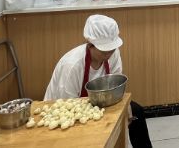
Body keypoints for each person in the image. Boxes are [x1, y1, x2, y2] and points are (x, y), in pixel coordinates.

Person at [45, 14, 152, 148]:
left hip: (100, 101)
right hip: (66, 109)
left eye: (111, 49)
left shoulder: (113, 54)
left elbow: (116, 85)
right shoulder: (72, 66)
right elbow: (67, 106)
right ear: (90, 45)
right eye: (104, 51)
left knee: (136, 111)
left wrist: (126, 107)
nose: (109, 54)